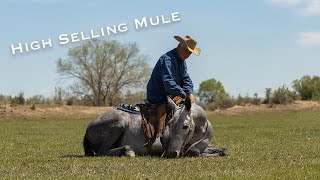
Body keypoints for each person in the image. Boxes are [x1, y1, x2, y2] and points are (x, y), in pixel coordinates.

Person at [145, 35, 201, 140]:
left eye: (190, 53)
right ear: (180, 47)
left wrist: (189, 93)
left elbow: (186, 79)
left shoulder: (182, 61)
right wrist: (184, 95)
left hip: (173, 94)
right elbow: (168, 83)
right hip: (158, 95)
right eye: (188, 52)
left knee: (188, 111)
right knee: (164, 107)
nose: (189, 55)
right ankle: (158, 137)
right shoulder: (167, 59)